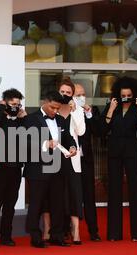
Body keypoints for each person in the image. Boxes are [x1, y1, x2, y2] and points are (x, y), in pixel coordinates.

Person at [23, 91, 77, 248]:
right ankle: (36, 237)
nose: (55, 111)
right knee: (36, 204)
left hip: (58, 168)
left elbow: (68, 137)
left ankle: (57, 235)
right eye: (53, 107)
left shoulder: (60, 119)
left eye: (58, 108)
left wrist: (72, 147)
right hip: (37, 169)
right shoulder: (30, 119)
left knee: (58, 203)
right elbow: (25, 142)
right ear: (44, 102)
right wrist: (45, 144)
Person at [100, 76, 137, 242]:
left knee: (135, 190)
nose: (126, 98)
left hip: (132, 151)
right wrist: (111, 109)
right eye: (123, 95)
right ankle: (114, 234)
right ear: (117, 94)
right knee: (114, 191)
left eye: (129, 95)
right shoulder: (111, 106)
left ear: (134, 94)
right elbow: (103, 128)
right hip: (114, 150)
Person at [0, 88, 27, 247]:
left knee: (10, 203)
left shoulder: (20, 120)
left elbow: (28, 135)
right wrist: (1, 107)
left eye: (18, 104)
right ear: (5, 102)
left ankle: (6, 236)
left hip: (15, 167)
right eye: (12, 104)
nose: (15, 107)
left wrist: (24, 117)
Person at [57, 79, 86, 245]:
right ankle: (59, 230)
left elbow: (81, 131)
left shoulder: (78, 109)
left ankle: (76, 231)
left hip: (72, 159)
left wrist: (74, 111)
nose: (65, 95)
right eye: (62, 92)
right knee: (58, 195)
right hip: (55, 158)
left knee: (74, 194)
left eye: (68, 92)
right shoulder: (53, 107)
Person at [74, 83, 102, 242]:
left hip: (85, 160)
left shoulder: (88, 113)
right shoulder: (65, 112)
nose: (81, 97)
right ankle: (67, 229)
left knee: (89, 196)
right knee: (69, 196)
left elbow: (98, 131)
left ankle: (93, 231)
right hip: (69, 160)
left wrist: (90, 115)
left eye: (83, 94)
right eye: (78, 95)